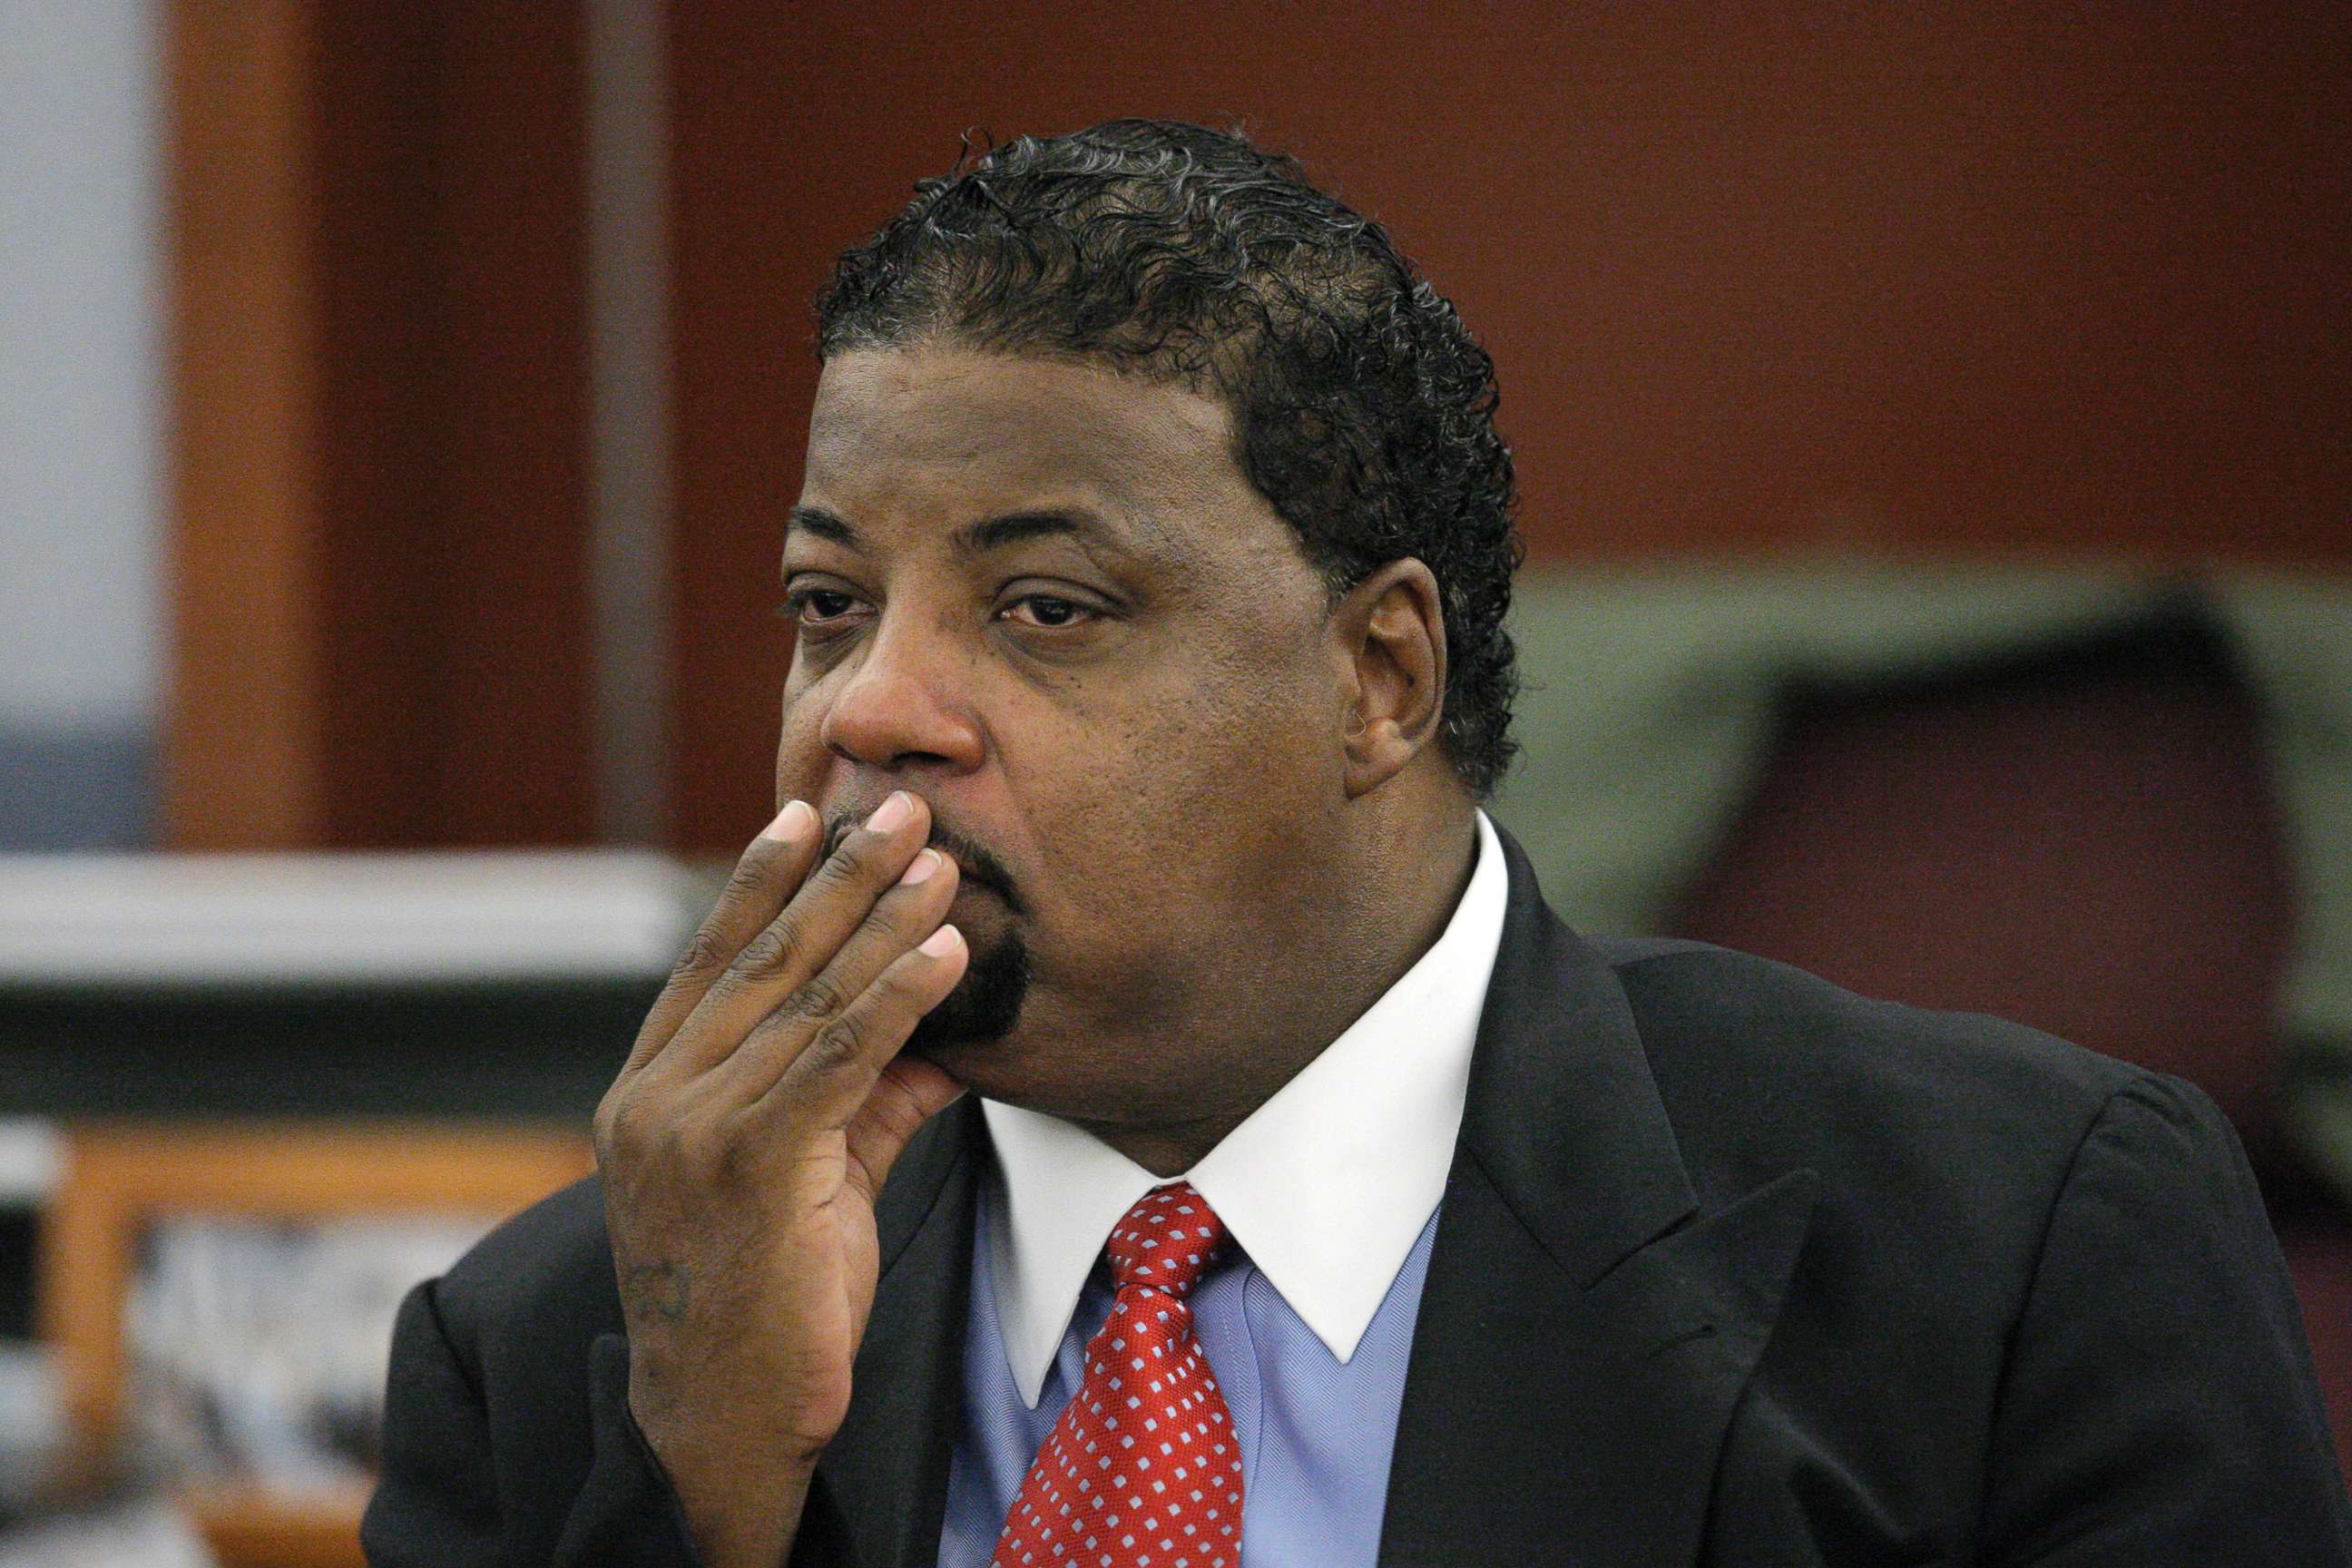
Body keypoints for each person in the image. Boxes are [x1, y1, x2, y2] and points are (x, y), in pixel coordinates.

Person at [360, 120, 2351, 1567]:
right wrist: (695, 1494)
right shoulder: (564, 1351)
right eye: (827, 602)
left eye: (1044, 607)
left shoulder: (2013, 1262)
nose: (869, 707)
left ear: (1378, 680)